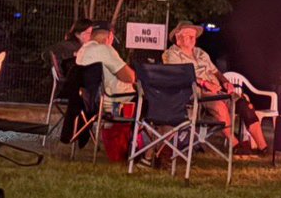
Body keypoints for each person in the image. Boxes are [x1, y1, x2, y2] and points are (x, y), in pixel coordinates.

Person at [162, 20, 268, 153]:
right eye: (189, 36)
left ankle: (262, 147)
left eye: (194, 36)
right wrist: (204, 83)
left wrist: (225, 82)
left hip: (216, 89)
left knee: (244, 105)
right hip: (196, 92)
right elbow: (179, 75)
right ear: (178, 38)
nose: (192, 39)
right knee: (219, 105)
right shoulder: (172, 54)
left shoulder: (200, 52)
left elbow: (215, 71)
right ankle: (235, 145)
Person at [74, 26, 136, 136]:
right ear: (109, 37)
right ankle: (150, 147)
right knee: (149, 99)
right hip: (111, 103)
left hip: (87, 101)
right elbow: (129, 77)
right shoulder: (105, 49)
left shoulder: (82, 51)